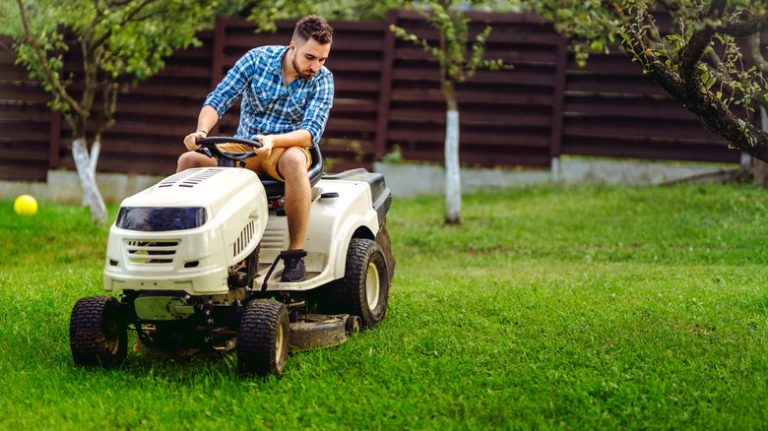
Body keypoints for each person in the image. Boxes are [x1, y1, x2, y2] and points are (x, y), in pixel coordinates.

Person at [177, 15, 334, 282]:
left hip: (287, 149)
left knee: (296, 160)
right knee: (189, 160)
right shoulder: (256, 60)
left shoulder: (323, 80)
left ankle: (295, 255)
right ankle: (183, 245)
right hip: (246, 147)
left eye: (322, 60)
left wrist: (273, 141)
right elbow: (219, 98)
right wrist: (201, 132)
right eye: (311, 58)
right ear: (292, 47)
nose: (316, 66)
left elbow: (310, 134)